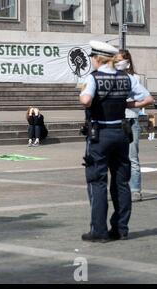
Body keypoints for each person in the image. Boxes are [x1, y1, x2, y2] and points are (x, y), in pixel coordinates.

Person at [79, 40, 154, 242]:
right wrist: (127, 103)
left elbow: (86, 100)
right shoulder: (126, 78)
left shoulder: (94, 78)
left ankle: (99, 231)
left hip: (100, 133)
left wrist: (88, 96)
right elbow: (148, 99)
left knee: (97, 182)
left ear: (97, 59)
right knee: (121, 182)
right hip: (121, 133)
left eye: (92, 58)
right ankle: (121, 229)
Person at [115, 50, 143, 202]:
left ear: (127, 61)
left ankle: (136, 190)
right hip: (116, 120)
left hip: (131, 120)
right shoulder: (112, 77)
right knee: (117, 158)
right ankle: (119, 190)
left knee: (132, 157)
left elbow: (143, 99)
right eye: (116, 60)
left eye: (120, 60)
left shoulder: (135, 78)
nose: (118, 63)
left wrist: (125, 102)